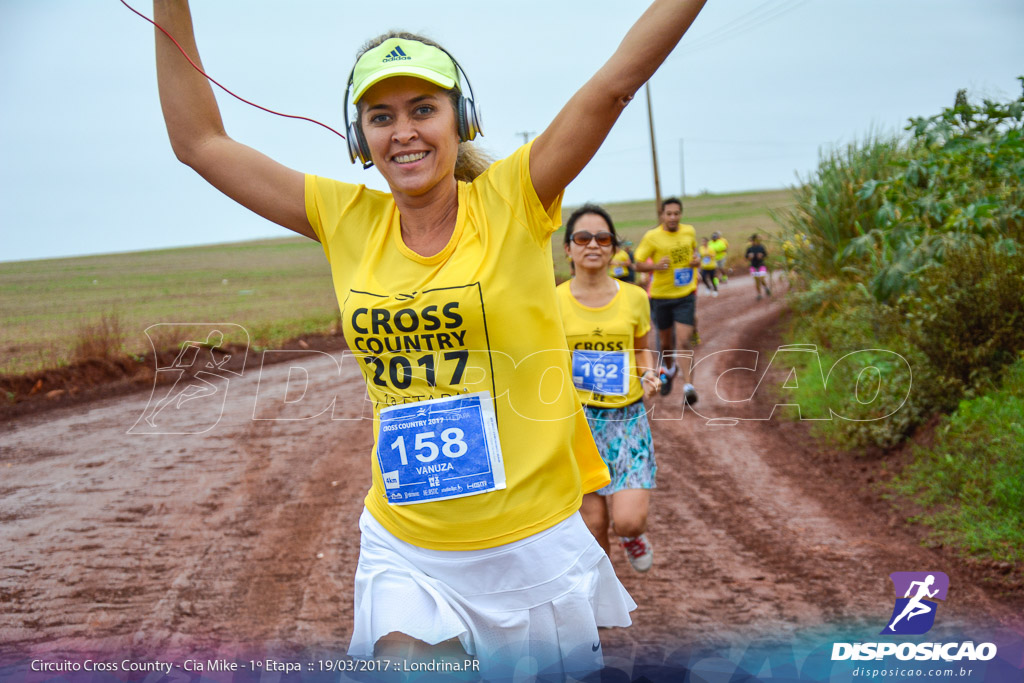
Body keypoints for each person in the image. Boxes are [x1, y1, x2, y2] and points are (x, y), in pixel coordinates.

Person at [151, 0, 707, 676]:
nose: (403, 132)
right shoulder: (344, 217)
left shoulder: (514, 200)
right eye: (380, 117)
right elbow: (199, 144)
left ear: (460, 120)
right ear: (360, 139)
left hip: (528, 545)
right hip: (408, 545)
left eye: (423, 109)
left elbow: (616, 82)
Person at [556, 204, 661, 574]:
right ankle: (600, 593)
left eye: (603, 238)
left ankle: (632, 537)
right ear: (568, 249)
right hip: (578, 424)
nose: (593, 245)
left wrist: (649, 375)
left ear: (614, 247)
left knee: (628, 520)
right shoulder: (553, 302)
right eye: (582, 238)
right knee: (592, 525)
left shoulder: (635, 298)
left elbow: (641, 350)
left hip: (627, 421)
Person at [633, 198, 700, 404]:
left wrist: (696, 261)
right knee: (666, 344)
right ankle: (669, 369)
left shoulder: (689, 231)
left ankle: (689, 386)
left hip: (685, 296)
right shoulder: (652, 237)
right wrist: (655, 266)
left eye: (676, 213)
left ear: (681, 214)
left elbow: (694, 252)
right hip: (661, 297)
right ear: (662, 215)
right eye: (668, 213)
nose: (673, 217)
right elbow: (638, 264)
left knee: (683, 340)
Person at [746, 232, 771, 300]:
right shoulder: (750, 249)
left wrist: (762, 256)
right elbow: (746, 258)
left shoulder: (761, 247)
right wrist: (750, 257)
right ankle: (759, 294)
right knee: (757, 281)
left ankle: (766, 288)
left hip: (761, 265)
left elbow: (766, 256)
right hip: (753, 266)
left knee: (762, 279)